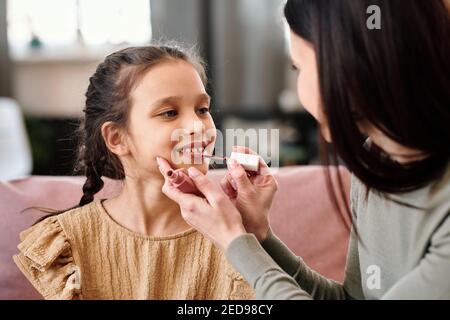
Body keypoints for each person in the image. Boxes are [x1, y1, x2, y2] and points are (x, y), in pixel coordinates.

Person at [159, 0, 450, 299]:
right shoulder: (374, 162)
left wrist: (234, 242)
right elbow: (351, 298)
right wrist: (258, 235)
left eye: (298, 67)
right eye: (168, 113)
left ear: (345, 64)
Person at [13, 45, 255, 300]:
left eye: (202, 109)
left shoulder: (234, 234)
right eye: (169, 113)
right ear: (117, 138)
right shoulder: (67, 244)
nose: (198, 126)